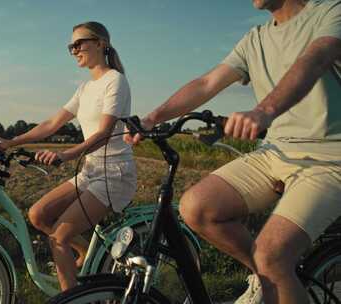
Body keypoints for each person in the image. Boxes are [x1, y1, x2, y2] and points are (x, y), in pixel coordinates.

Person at [125, 0, 341, 303]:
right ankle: (270, 279)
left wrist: (264, 110)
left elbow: (314, 60)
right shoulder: (255, 38)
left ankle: (274, 271)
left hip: (330, 158)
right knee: (197, 207)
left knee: (272, 255)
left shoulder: (330, 11)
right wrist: (152, 117)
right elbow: (206, 83)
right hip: (275, 152)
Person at [0, 21, 137, 291]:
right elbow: (52, 124)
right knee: (38, 215)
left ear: (100, 44)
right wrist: (11, 142)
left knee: (59, 238)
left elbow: (105, 133)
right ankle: (86, 254)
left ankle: (72, 298)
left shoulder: (115, 81)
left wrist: (66, 155)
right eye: (70, 46)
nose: (74, 50)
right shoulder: (85, 88)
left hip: (114, 175)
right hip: (91, 172)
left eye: (79, 43)